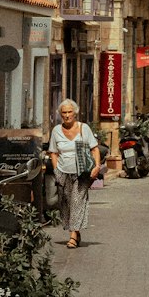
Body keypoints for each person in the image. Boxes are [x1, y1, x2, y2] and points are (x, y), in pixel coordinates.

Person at [48, 99, 101, 248]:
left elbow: (95, 148)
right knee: (66, 204)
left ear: (75, 113)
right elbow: (53, 152)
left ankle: (72, 236)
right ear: (60, 114)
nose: (66, 115)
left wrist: (97, 166)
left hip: (81, 173)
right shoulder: (56, 131)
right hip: (63, 172)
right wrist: (57, 170)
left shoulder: (84, 128)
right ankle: (76, 232)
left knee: (77, 202)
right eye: (63, 112)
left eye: (69, 112)